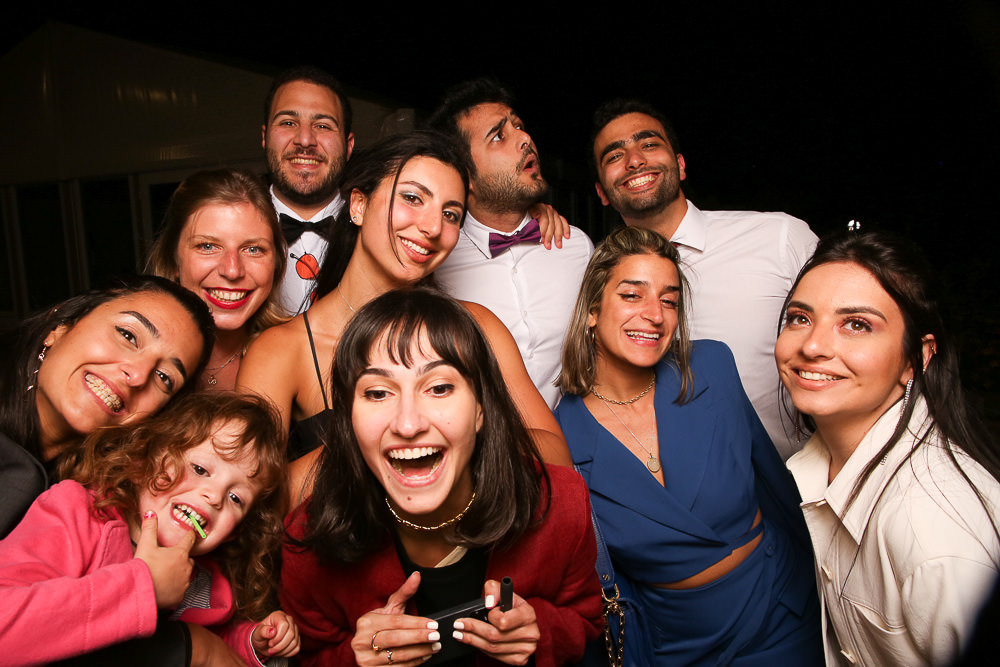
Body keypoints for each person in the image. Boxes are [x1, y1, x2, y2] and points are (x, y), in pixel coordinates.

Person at [280, 288, 603, 666]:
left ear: (481, 408)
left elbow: (587, 623)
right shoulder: (308, 541)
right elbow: (305, 656)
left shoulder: (560, 506)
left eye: (439, 388)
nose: (408, 423)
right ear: (348, 420)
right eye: (379, 393)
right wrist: (354, 661)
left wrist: (539, 631)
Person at [555, 226, 822, 664]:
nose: (654, 315)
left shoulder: (712, 366)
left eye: (669, 300)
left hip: (780, 610)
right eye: (632, 295)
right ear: (592, 309)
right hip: (677, 644)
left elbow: (774, 484)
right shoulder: (562, 435)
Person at [238, 130, 569, 475]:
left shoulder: (477, 326)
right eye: (412, 198)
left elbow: (557, 455)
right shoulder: (283, 350)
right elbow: (251, 491)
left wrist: (454, 433)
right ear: (359, 205)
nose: (432, 227)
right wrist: (373, 438)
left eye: (451, 214)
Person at [776, 231, 1000, 666]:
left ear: (917, 357)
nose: (812, 345)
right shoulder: (817, 465)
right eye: (800, 318)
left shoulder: (935, 534)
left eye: (856, 324)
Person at [0, 391, 299, 665]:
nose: (215, 497)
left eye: (236, 498)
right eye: (200, 469)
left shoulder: (206, 582)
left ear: (234, 532)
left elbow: (209, 635)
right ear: (149, 455)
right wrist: (144, 586)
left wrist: (253, 641)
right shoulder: (77, 512)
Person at [590, 99, 817, 460]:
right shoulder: (597, 278)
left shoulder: (779, 237)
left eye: (649, 144)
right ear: (602, 192)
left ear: (680, 165)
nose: (634, 160)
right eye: (614, 156)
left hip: (799, 484)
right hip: (676, 496)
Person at [0, 275, 214, 539]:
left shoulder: (101, 508)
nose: (137, 376)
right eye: (128, 336)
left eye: (164, 377)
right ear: (60, 327)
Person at [429, 79, 594, 408]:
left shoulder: (575, 246)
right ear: (466, 176)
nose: (525, 139)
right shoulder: (437, 259)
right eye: (499, 136)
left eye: (520, 127)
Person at [147, 169, 287, 390]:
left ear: (276, 264)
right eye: (208, 246)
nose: (232, 271)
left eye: (253, 249)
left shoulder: (299, 356)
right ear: (173, 258)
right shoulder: (133, 362)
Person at [262, 65, 355, 315]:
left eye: (323, 126)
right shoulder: (231, 225)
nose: (305, 140)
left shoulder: (378, 232)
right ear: (265, 137)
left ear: (348, 146)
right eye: (288, 122)